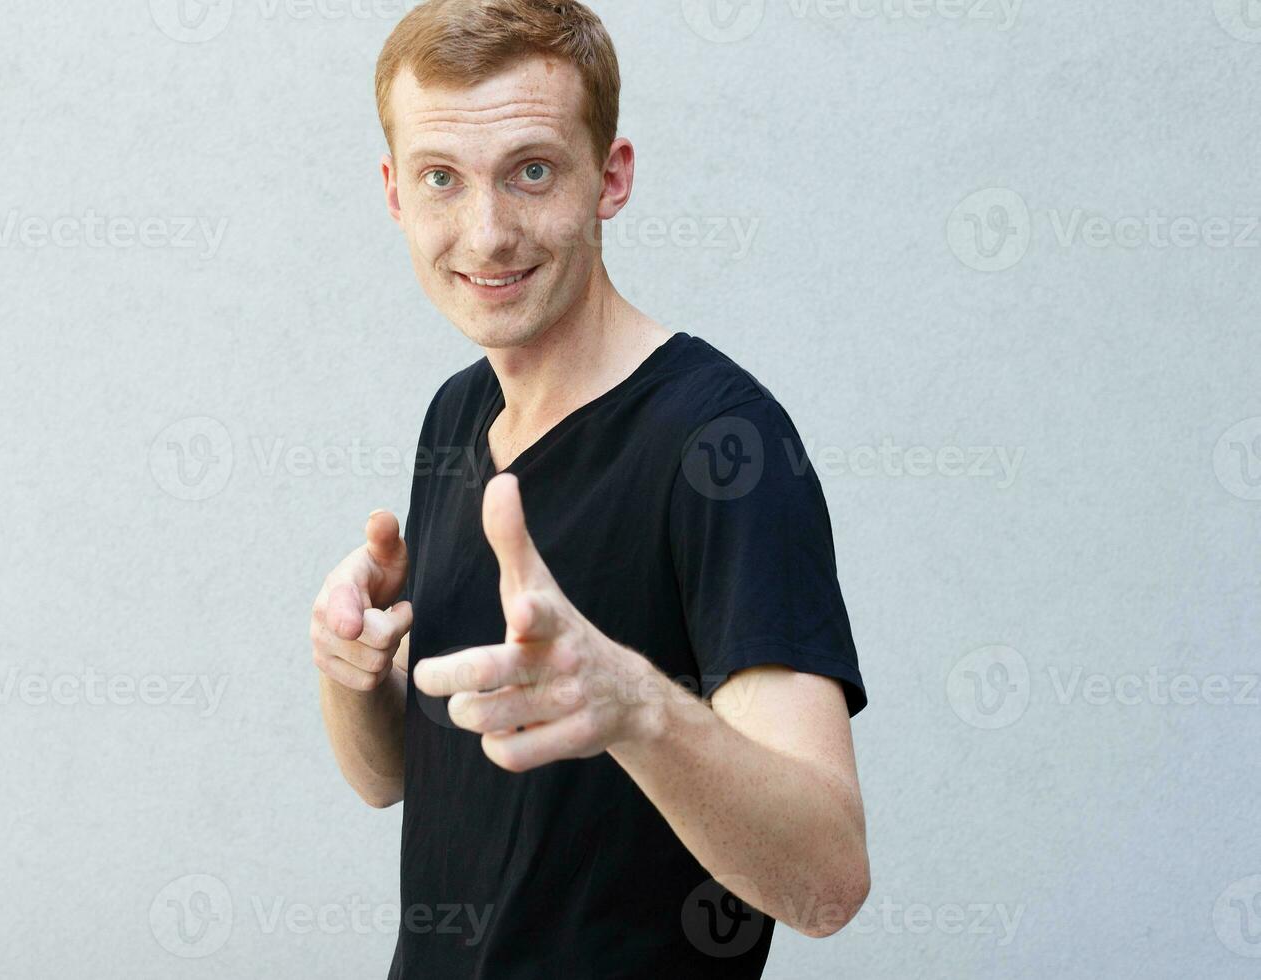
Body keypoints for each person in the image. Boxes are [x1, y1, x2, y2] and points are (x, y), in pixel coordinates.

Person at [311, 2, 870, 975]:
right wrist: (353, 675)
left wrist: (637, 706)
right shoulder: (455, 416)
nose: (486, 234)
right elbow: (396, 779)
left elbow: (828, 878)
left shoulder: (724, 446)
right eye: (443, 178)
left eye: (532, 170)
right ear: (396, 192)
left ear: (610, 177)